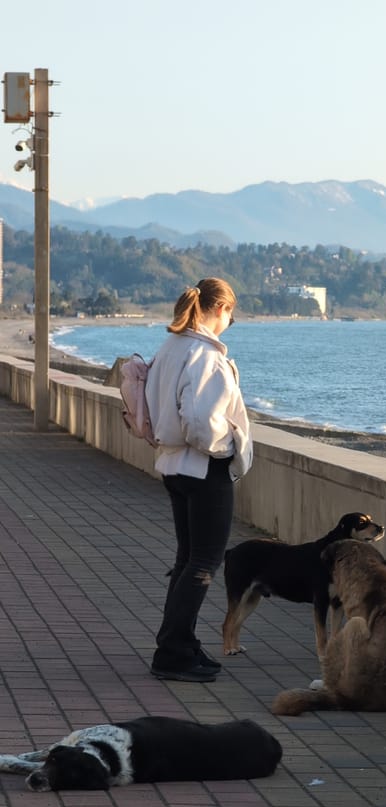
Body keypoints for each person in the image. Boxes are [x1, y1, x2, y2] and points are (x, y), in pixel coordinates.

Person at [145, 279, 252, 682]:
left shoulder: (171, 346)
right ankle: (173, 650)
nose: (231, 321)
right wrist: (227, 450)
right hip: (204, 468)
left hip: (173, 466)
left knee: (187, 559)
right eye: (231, 312)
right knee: (204, 563)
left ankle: (180, 643)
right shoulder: (204, 355)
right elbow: (201, 422)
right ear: (220, 308)